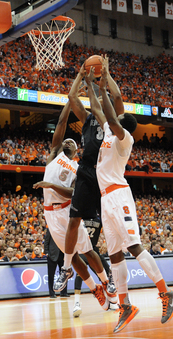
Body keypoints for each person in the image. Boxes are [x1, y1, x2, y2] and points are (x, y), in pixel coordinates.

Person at [86, 59, 173, 333]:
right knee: (114, 255)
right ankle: (125, 305)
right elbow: (97, 108)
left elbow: (113, 114)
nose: (110, 121)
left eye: (116, 121)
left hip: (119, 196)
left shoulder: (124, 139)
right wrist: (91, 83)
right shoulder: (107, 133)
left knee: (133, 247)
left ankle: (165, 292)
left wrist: (103, 87)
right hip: (106, 199)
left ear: (123, 127)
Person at [33, 101, 111, 312]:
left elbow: (74, 194)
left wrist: (50, 185)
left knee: (87, 250)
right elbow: (61, 123)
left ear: (76, 150)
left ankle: (106, 281)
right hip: (51, 215)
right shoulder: (53, 157)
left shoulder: (78, 167)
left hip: (67, 211)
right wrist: (68, 104)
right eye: (65, 140)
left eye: (72, 142)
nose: (67, 142)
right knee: (73, 257)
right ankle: (95, 289)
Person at [54, 59, 121, 303]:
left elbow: (110, 97)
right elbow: (72, 97)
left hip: (105, 175)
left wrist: (100, 80)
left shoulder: (113, 123)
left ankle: (112, 277)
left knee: (112, 229)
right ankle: (66, 267)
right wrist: (81, 75)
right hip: (86, 173)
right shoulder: (88, 120)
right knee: (74, 221)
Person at [73, 215, 116, 317]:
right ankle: (76, 303)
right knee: (79, 275)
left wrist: (105, 242)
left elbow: (107, 229)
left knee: (107, 271)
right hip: (82, 250)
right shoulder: (80, 215)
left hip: (93, 251)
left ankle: (110, 300)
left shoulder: (99, 217)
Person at [44, 229, 70, 298]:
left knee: (64, 275)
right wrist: (46, 253)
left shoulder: (64, 229)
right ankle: (52, 293)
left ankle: (64, 292)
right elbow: (46, 241)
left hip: (62, 254)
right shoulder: (51, 228)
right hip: (52, 255)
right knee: (51, 275)